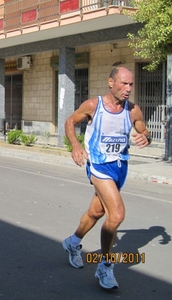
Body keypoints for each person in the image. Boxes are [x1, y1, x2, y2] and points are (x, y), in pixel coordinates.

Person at [62, 67, 152, 290]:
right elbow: (70, 122)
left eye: (131, 84)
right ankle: (105, 265)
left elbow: (143, 130)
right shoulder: (94, 106)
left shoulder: (132, 110)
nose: (128, 89)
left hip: (120, 167)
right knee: (117, 213)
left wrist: (146, 138)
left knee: (97, 211)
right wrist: (75, 146)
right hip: (99, 166)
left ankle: (72, 243)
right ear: (111, 83)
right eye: (124, 84)